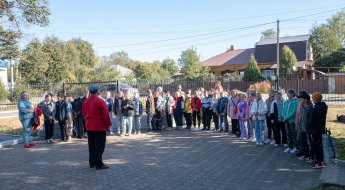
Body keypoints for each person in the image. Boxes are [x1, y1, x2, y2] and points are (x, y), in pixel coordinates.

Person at [82, 85, 112, 170]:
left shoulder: (85, 101)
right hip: (99, 126)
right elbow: (105, 115)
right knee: (99, 145)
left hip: (89, 125)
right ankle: (98, 163)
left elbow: (84, 114)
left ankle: (92, 162)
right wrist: (108, 126)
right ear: (97, 91)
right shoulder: (100, 101)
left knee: (91, 145)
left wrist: (87, 122)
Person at [309, 92, 328, 169]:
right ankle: (321, 161)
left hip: (315, 130)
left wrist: (309, 125)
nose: (312, 100)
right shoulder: (323, 107)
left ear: (315, 100)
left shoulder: (316, 109)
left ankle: (319, 162)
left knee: (315, 146)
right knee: (320, 145)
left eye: (313, 99)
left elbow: (312, 120)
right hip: (321, 128)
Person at [296, 93, 313, 161]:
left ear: (306, 100)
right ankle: (305, 154)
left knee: (308, 143)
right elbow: (300, 117)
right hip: (301, 128)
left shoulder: (309, 108)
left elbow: (310, 119)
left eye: (301, 99)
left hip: (307, 129)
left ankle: (309, 155)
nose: (299, 100)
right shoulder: (302, 107)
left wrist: (308, 127)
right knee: (300, 141)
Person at [282, 89, 299, 153]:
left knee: (293, 134)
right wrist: (283, 115)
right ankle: (290, 146)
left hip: (291, 120)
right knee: (288, 133)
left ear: (292, 94)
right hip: (286, 120)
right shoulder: (287, 101)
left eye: (288, 93)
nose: (287, 95)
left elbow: (294, 112)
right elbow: (284, 109)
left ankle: (296, 147)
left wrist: (287, 117)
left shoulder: (296, 101)